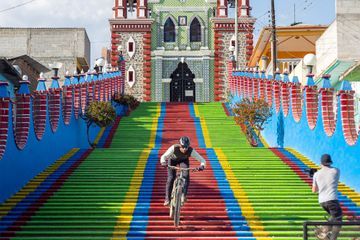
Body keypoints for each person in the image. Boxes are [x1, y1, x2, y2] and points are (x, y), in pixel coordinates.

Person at [160, 136, 206, 207]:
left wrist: (202, 166)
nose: (185, 149)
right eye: (183, 146)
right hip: (172, 161)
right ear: (180, 145)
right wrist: (163, 162)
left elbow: (202, 160)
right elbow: (163, 156)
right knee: (171, 178)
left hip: (183, 161)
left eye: (186, 147)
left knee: (186, 175)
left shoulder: (190, 150)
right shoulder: (174, 148)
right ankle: (167, 199)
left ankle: (184, 195)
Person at [312, 154, 342, 240]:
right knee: (338, 219)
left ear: (321, 163)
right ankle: (331, 238)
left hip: (322, 201)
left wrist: (315, 176)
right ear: (330, 162)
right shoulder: (336, 170)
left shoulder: (316, 174)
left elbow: (314, 190)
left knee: (333, 216)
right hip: (332, 199)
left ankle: (323, 230)